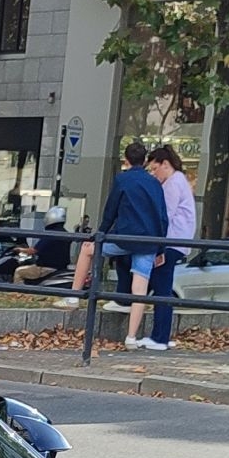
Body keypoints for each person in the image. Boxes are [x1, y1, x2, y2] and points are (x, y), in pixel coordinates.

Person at [76, 141, 171, 346]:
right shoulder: (154, 182)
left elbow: (111, 211)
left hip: (125, 237)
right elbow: (163, 218)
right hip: (149, 241)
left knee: (88, 250)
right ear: (145, 160)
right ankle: (131, 338)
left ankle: (73, 296)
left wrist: (99, 234)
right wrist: (160, 248)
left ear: (126, 160)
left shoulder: (122, 180)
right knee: (140, 290)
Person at [147, 142, 196, 349]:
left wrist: (158, 245)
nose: (153, 173)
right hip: (177, 241)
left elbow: (165, 216)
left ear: (165, 164)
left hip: (171, 241)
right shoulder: (179, 181)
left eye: (154, 168)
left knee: (162, 288)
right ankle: (159, 336)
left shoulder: (173, 184)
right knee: (161, 287)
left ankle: (160, 338)